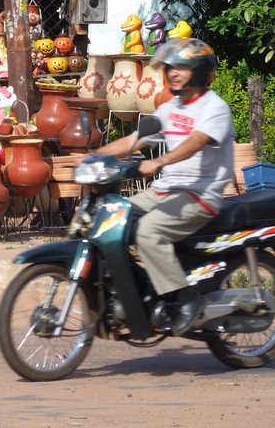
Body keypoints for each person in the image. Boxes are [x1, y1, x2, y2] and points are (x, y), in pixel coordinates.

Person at [93, 38, 234, 335]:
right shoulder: (171, 109)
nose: (172, 73)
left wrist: (161, 162)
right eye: (169, 68)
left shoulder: (214, 108)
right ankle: (142, 290)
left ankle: (186, 299)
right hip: (166, 190)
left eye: (180, 67)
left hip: (200, 194)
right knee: (116, 219)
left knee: (148, 232)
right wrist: (93, 156)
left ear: (200, 70)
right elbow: (136, 140)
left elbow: (196, 141)